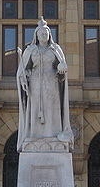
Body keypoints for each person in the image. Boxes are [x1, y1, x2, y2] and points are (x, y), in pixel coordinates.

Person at [16, 18, 73, 150]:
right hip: (35, 83)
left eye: (46, 33)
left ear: (49, 35)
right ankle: (34, 135)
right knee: (35, 108)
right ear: (36, 35)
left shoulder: (56, 49)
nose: (44, 35)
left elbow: (62, 67)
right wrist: (24, 79)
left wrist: (62, 69)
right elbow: (22, 70)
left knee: (52, 109)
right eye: (41, 33)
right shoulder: (30, 50)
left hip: (52, 83)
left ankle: (53, 135)